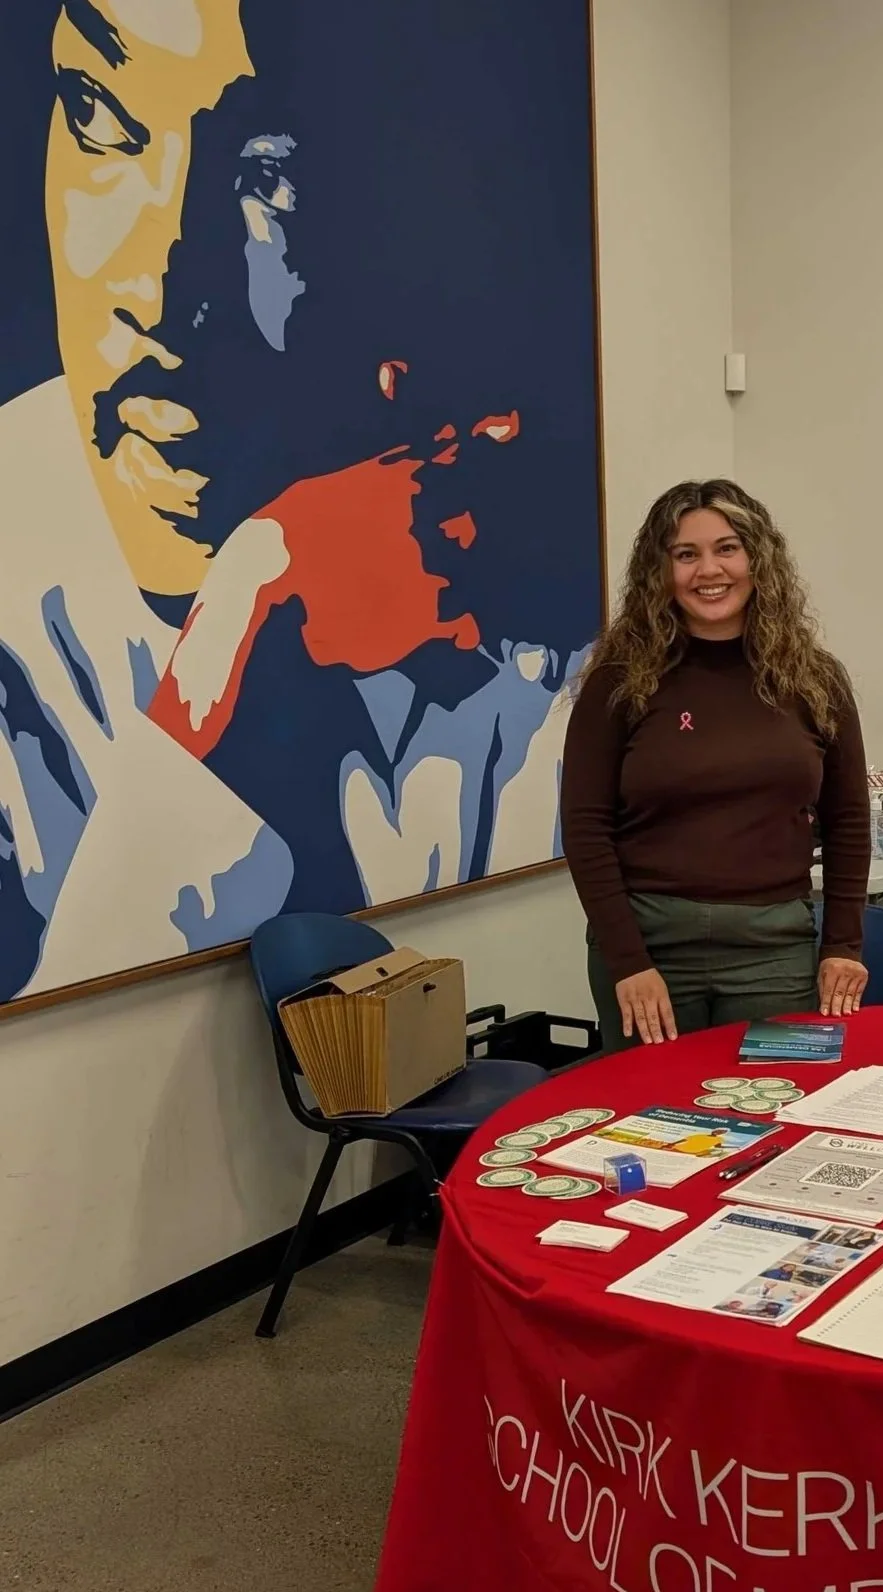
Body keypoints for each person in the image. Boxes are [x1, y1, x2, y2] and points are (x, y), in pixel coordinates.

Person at [0, 0, 598, 1000]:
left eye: (264, 174)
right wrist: (232, 632)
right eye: (99, 116)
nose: (155, 282)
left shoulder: (512, 623)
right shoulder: (25, 578)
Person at [561, 480, 871, 1047]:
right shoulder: (618, 681)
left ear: (759, 559)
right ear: (661, 570)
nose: (709, 570)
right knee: (649, 1122)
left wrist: (843, 946)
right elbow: (585, 828)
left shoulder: (815, 680)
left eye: (727, 548)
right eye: (686, 554)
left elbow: (850, 821)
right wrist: (627, 960)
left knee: (777, 1109)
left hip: (774, 951)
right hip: (648, 949)